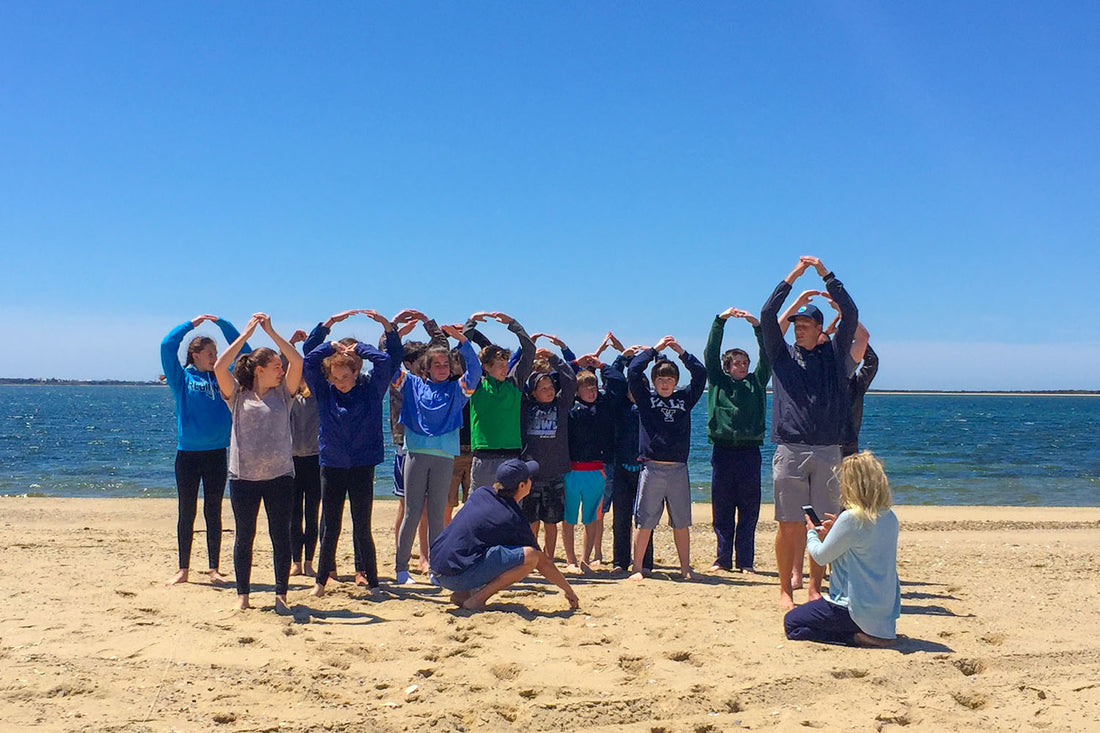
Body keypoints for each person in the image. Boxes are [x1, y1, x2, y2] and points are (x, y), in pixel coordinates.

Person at [760, 256, 858, 610]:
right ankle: (785, 590)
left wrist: (826, 275)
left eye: (805, 325)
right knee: (789, 525)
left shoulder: (833, 356)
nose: (799, 329)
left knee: (822, 525)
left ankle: (815, 588)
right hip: (791, 449)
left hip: (828, 450)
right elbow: (767, 314)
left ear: (820, 329)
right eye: (797, 325)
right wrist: (795, 276)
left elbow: (851, 312)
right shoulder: (781, 356)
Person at [303, 310, 402, 596]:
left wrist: (362, 348)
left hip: (361, 464)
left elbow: (385, 361)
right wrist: (329, 342)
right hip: (332, 464)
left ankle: (373, 583)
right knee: (330, 526)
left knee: (362, 526)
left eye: (345, 376)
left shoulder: (371, 391)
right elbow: (308, 361)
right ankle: (321, 582)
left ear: (356, 372)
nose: (340, 382)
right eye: (335, 377)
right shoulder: (325, 392)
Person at [213, 313, 303, 612]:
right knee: (245, 536)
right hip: (243, 477)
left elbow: (297, 361)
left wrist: (272, 332)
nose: (282, 371)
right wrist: (247, 334)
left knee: (280, 536)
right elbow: (219, 366)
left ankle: (281, 594)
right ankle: (243, 595)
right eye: (276, 367)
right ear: (260, 370)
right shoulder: (238, 395)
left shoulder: (284, 394)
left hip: (280, 476)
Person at [160, 313, 251, 586]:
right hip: (187, 454)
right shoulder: (181, 378)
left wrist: (223, 324)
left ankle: (214, 569)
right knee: (186, 511)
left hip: (216, 453)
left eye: (216, 353)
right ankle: (183, 569)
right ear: (195, 355)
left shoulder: (224, 375)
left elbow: (245, 353)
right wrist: (191, 325)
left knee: (213, 510)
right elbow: (166, 345)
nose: (214, 357)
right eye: (210, 353)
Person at [392, 324, 482, 585]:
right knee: (412, 512)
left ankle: (435, 568)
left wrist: (462, 340)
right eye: (437, 365)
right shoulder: (411, 385)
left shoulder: (457, 390)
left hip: (444, 457)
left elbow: (475, 370)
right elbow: (389, 367)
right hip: (416, 454)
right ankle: (401, 569)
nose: (442, 368)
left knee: (436, 516)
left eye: (445, 364)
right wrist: (396, 337)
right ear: (427, 368)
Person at [429, 459, 579, 612]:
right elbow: (542, 561)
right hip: (454, 576)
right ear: (521, 486)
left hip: (436, 568)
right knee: (530, 557)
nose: (531, 481)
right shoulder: (512, 517)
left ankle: (462, 594)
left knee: (486, 546)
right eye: (529, 479)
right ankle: (476, 600)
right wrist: (569, 590)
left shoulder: (482, 493)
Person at [783, 451, 900, 647]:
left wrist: (811, 533)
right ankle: (868, 633)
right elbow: (862, 546)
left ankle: (854, 637)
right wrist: (834, 533)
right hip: (884, 608)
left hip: (853, 607)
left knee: (792, 623)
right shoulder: (889, 516)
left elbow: (820, 556)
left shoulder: (852, 518)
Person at [626, 336, 707, 581]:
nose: (665, 383)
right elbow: (633, 370)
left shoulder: (684, 398)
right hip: (652, 468)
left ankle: (685, 569)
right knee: (644, 521)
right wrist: (655, 350)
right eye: (660, 379)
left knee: (681, 522)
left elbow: (700, 374)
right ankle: (637, 568)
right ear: (653, 381)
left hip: (678, 469)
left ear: (675, 381)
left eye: (669, 379)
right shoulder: (645, 399)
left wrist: (681, 352)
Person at [704, 307, 771, 574]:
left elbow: (767, 355)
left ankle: (745, 562)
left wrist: (757, 326)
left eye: (745, 363)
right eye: (737, 363)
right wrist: (720, 321)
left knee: (748, 510)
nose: (742, 366)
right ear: (727, 367)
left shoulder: (757, 382)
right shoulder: (718, 382)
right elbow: (710, 353)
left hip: (749, 453)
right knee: (722, 510)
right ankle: (722, 560)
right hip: (722, 452)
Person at [463, 311, 536, 490]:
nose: (505, 369)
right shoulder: (476, 385)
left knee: (511, 504)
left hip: (511, 457)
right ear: (486, 367)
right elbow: (463, 354)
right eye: (500, 365)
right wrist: (471, 323)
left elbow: (529, 350)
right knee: (480, 504)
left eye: (506, 364)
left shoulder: (514, 383)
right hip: (484, 457)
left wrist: (513, 324)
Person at [520, 349, 577, 565]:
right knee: (531, 520)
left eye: (551, 387)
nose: (549, 391)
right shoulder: (526, 406)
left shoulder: (561, 405)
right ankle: (531, 556)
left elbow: (570, 379)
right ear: (534, 392)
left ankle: (549, 558)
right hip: (531, 474)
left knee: (551, 521)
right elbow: (517, 379)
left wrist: (554, 358)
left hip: (554, 473)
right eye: (543, 389)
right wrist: (528, 355)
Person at [287, 329, 321, 578]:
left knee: (312, 514)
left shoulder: (317, 395)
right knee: (293, 514)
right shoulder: (287, 396)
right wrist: (290, 344)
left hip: (315, 460)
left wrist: (311, 343)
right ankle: (295, 561)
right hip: (291, 461)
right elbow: (284, 362)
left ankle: (309, 561)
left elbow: (317, 362)